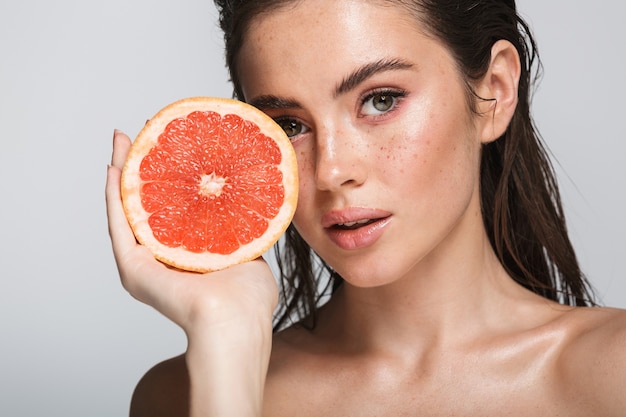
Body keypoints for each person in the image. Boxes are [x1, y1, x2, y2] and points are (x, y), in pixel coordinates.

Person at [105, 0, 626, 415]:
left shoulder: (612, 374)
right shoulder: (183, 393)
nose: (332, 172)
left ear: (493, 92)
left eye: (380, 100)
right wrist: (227, 336)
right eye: (290, 124)